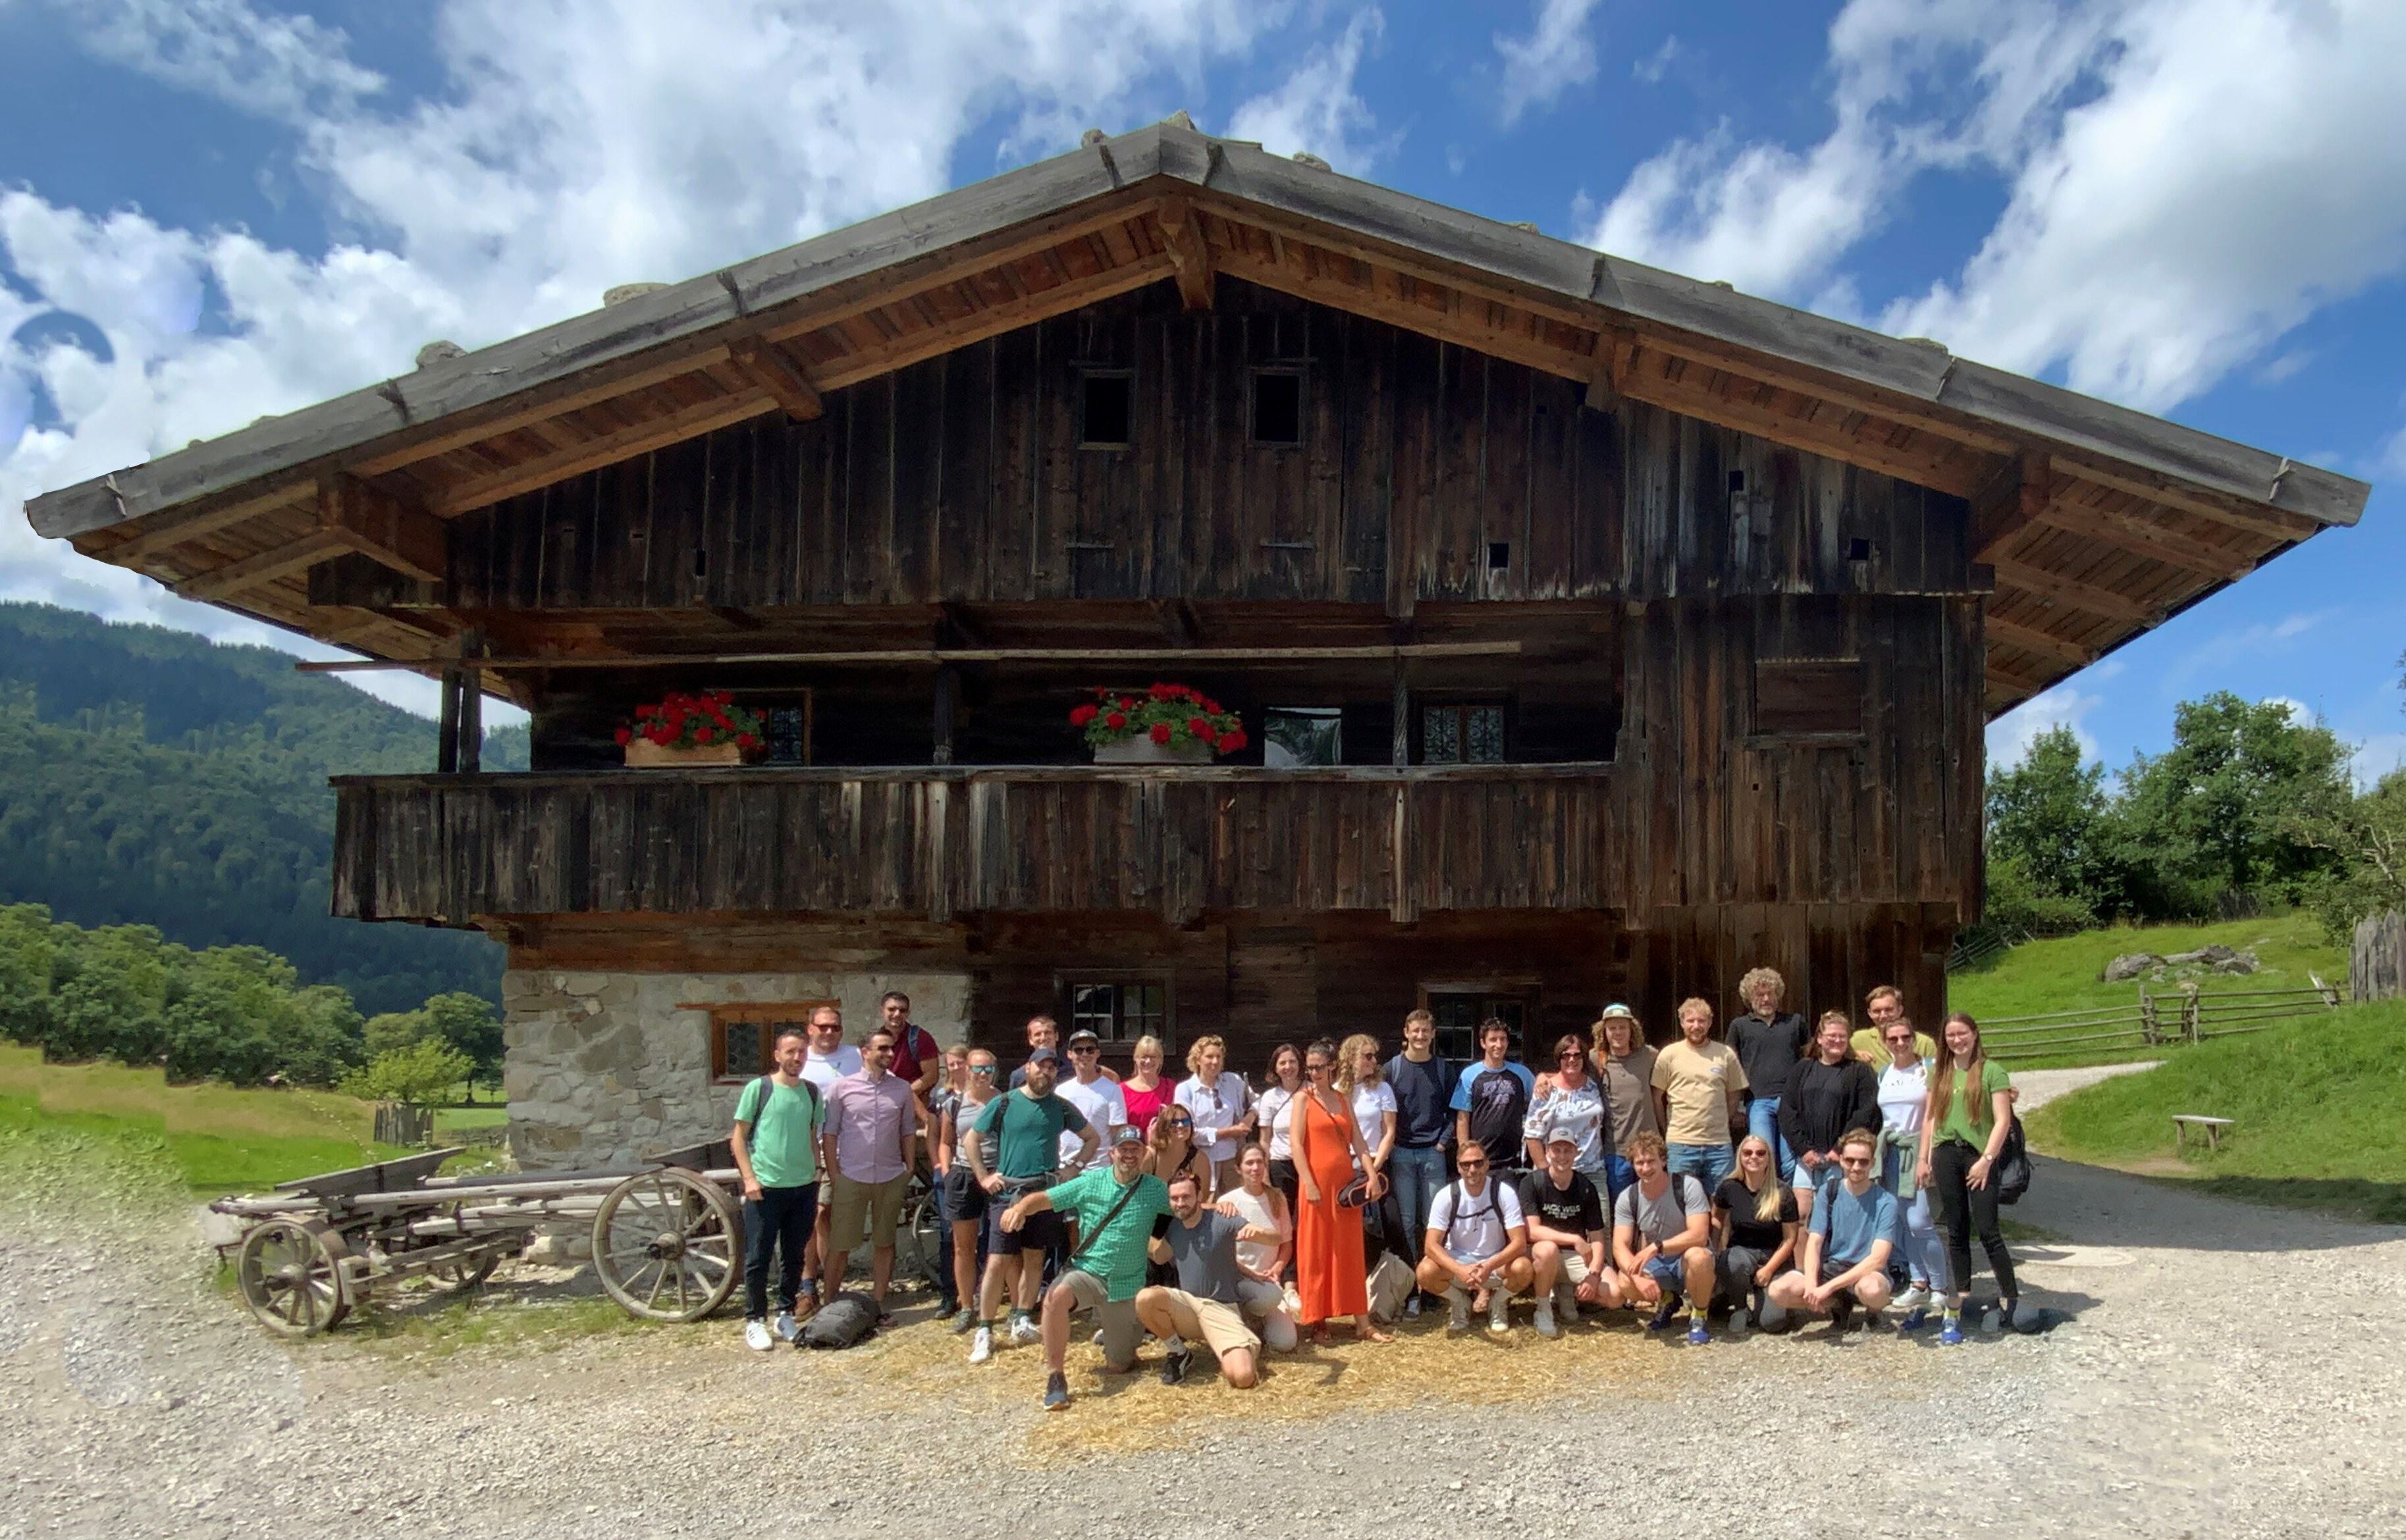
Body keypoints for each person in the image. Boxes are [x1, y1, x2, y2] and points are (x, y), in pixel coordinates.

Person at [997, 1125, 1169, 1411]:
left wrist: (1224, 1209)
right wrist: (1019, 1208)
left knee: (1119, 1366)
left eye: (1135, 1149)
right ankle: (1055, 1378)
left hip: (1127, 1285)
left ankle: (1116, 1338)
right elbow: (1046, 1199)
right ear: (1112, 1153)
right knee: (1055, 1297)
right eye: (1123, 1149)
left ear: (1144, 1153)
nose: (1129, 1154)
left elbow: (1190, 1211)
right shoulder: (1091, 1182)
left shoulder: (1156, 1190)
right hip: (1088, 1274)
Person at [965, 1047, 1096, 1364]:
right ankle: (985, 1329)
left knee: (1035, 1259)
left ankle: (1021, 1318)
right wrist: (983, 1176)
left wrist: (1074, 1167)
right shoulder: (1005, 1102)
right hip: (1008, 1194)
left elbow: (1091, 1138)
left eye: (1052, 1068)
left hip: (1044, 1194)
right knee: (997, 1261)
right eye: (1041, 1066)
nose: (1046, 1073)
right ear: (1028, 1067)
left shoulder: (1061, 1108)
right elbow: (972, 1138)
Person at [1916, 1011, 2024, 1343]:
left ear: (1975, 1035)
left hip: (1979, 1155)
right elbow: (1931, 1118)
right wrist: (1924, 1158)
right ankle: (1960, 1294)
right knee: (1956, 1229)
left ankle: (2011, 1296)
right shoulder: (1940, 1072)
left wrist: (1987, 1161)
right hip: (1947, 1152)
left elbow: (2003, 1121)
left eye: (1962, 1033)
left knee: (1988, 1228)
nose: (1957, 1040)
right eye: (1951, 1035)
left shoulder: (1992, 1071)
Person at [1138, 1168, 1287, 1387]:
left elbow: (1276, 1238)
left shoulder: (1223, 1219)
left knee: (1243, 1378)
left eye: (1186, 1197)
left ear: (1199, 1196)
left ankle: (1244, 1338)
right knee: (1145, 1299)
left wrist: (1259, 1234)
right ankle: (1179, 1353)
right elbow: (1161, 1257)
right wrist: (1148, 1232)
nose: (1180, 1203)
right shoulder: (1170, 1225)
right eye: (1175, 1198)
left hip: (1222, 1309)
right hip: (1189, 1307)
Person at [730, 1026, 826, 1350]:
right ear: (777, 1055)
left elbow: (812, 1133)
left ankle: (785, 1312)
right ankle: (754, 1320)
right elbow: (739, 1137)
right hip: (766, 1187)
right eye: (790, 1052)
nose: (797, 1058)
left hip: (802, 1186)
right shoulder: (760, 1088)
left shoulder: (812, 1092)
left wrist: (816, 1170)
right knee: (758, 1255)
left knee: (794, 1255)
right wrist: (749, 1178)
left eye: (801, 1052)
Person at [1290, 1038, 1391, 1344]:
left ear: (1332, 1066)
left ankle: (1362, 1321)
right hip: (1316, 1185)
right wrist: (1307, 1182)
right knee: (1317, 1252)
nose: (1314, 1074)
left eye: (1319, 1068)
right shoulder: (1303, 1100)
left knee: (1349, 1251)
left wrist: (1372, 1175)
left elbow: (1358, 1142)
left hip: (1344, 1187)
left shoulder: (1343, 1099)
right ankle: (1318, 1320)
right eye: (1309, 1069)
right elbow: (1296, 1144)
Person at [821, 1028, 917, 1319]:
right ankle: (828, 1304)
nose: (889, 1054)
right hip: (852, 1175)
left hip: (889, 1176)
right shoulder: (841, 1089)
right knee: (841, 1244)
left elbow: (908, 1131)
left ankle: (876, 1304)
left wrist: (909, 1167)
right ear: (865, 1052)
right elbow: (830, 1133)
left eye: (891, 1049)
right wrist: (835, 1173)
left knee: (885, 1241)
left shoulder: (901, 1089)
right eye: (883, 1049)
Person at [1769, 1128, 1897, 1333]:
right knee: (1778, 1291)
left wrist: (1827, 1288)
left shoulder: (1886, 1201)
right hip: (1832, 1267)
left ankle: (1873, 1312)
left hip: (1867, 1271)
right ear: (1842, 1161)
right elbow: (1814, 1242)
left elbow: (1878, 1260)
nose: (1856, 1167)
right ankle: (1838, 1305)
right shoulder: (1829, 1191)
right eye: (1850, 1160)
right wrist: (1811, 1285)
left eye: (1863, 1162)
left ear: (1873, 1163)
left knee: (1873, 1290)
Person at [1416, 1139, 1532, 1334]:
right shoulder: (1447, 1195)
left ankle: (1498, 1303)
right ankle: (1460, 1302)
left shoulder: (1503, 1192)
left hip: (1494, 1262)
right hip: (1459, 1261)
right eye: (1466, 1164)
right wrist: (1459, 1269)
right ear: (1458, 1167)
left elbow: (1520, 1243)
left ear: (1487, 1164)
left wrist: (1488, 1266)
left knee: (1524, 1268)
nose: (1472, 1169)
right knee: (1425, 1272)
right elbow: (1430, 1246)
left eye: (1478, 1163)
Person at [1876, 1017, 1947, 1330]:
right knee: (1902, 1221)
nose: (1901, 1043)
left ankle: (1941, 1287)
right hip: (1891, 1151)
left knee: (1920, 1220)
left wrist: (1925, 1158)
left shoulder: (1927, 1069)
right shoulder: (1884, 1073)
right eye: (1894, 1039)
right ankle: (1919, 1283)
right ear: (1885, 1041)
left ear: (1914, 1038)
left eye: (1906, 1037)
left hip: (1917, 1149)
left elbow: (1931, 1115)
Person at [1611, 1131, 1715, 1345]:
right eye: (1640, 1163)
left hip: (1685, 1258)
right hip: (1659, 1263)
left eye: (1651, 1161)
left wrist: (1655, 1247)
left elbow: (1699, 1235)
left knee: (1699, 1257)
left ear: (1664, 1161)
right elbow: (1619, 1246)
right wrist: (1636, 1277)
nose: (1646, 1168)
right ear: (1633, 1165)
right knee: (1624, 1279)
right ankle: (1667, 1300)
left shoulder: (1687, 1186)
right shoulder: (1628, 1197)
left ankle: (1699, 1315)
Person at [1779, 1010, 1883, 1220]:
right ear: (1819, 1038)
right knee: (1801, 1215)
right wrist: (1803, 1150)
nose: (1837, 1040)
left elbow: (1866, 1113)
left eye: (1842, 1036)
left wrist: (1840, 1148)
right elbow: (1788, 1111)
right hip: (1807, 1157)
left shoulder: (1860, 1071)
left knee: (1838, 1215)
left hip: (1841, 1158)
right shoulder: (1803, 1068)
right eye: (1832, 1036)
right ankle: (1806, 1255)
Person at [1381, 1009, 1453, 1316]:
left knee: (1434, 1224)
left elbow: (1456, 1109)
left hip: (1432, 1154)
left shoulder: (1443, 1069)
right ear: (1406, 1033)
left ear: (1433, 1034)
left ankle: (1434, 1287)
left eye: (1426, 1031)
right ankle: (1411, 1288)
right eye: (1415, 1031)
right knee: (1408, 1224)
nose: (1420, 1036)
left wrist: (1443, 1141)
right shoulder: (1392, 1069)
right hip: (1402, 1153)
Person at [1520, 1127, 1617, 1337]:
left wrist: (1594, 1275)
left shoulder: (1586, 1187)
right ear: (1547, 1151)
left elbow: (1598, 1239)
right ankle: (1544, 1309)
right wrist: (1573, 1239)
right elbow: (1533, 1232)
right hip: (1544, 1255)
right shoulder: (1533, 1182)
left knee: (1616, 1296)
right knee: (1547, 1249)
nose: (1561, 1156)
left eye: (1567, 1150)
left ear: (1576, 1152)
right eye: (1556, 1150)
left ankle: (1566, 1290)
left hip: (1575, 1257)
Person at [795, 1003, 860, 1308]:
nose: (830, 1032)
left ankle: (830, 1286)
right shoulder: (801, 1060)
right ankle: (809, 1284)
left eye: (835, 1027)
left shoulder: (854, 1057)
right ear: (810, 1029)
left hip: (849, 1147)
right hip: (809, 1148)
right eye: (823, 1027)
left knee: (830, 1216)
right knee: (815, 1215)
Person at [935, 1045, 1000, 1331]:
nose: (983, 1074)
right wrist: (948, 1172)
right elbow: (946, 1141)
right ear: (967, 1070)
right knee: (964, 1247)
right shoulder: (954, 1104)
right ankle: (966, 1306)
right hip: (963, 1175)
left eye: (988, 1068)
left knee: (1003, 1245)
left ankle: (1006, 1308)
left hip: (997, 1174)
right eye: (977, 1068)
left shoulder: (1005, 1101)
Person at [1651, 997, 1747, 1191]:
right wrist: (1666, 1128)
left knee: (1722, 1205)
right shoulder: (1669, 1055)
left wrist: (1723, 1120)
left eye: (1702, 1021)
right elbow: (1657, 1096)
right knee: (1681, 1203)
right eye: (1691, 1021)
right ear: (1682, 1022)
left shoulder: (1725, 1054)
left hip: (1719, 1145)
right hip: (1681, 1144)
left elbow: (1734, 1093)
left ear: (1710, 1023)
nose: (1696, 1026)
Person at [1711, 1133, 1799, 1337]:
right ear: (1740, 1157)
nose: (1754, 1157)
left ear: (1769, 1158)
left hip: (1773, 1258)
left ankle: (1770, 1301)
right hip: (1742, 1253)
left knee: (1772, 1324)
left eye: (1761, 1153)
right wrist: (1716, 1253)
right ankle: (1740, 1308)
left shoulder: (1783, 1192)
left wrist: (1769, 1270)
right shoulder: (1729, 1187)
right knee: (1733, 1262)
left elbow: (1790, 1238)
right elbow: (1717, 1218)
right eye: (1747, 1153)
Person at [1726, 967, 1808, 1183]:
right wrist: (1736, 1106)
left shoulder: (1795, 1022)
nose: (1765, 999)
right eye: (1759, 995)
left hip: (1791, 1102)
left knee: (1791, 1162)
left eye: (1770, 994)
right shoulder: (1740, 1026)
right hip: (1758, 1101)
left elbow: (1814, 1055)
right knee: (1762, 1157)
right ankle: (1764, 1210)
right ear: (1749, 998)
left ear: (1778, 995)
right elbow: (1731, 1066)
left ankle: (1791, 1210)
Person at [1216, 1144, 1300, 1350]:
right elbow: (1220, 1251)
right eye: (1249, 1163)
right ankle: (1245, 1317)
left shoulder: (1277, 1198)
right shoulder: (1227, 1202)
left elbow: (1286, 1245)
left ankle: (1259, 1320)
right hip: (1240, 1279)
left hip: (1269, 1282)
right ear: (1238, 1169)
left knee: (1285, 1344)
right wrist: (1251, 1273)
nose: (1255, 1168)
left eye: (1259, 1162)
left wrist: (1277, 1270)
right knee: (1266, 1298)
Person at [1335, 1033, 1399, 1263]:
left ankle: (1407, 1289)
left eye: (1375, 1056)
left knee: (1391, 1223)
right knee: (1354, 1227)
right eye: (1368, 1056)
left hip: (1376, 1161)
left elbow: (1389, 1131)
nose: (1374, 1061)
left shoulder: (1382, 1089)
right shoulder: (1336, 1090)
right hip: (1345, 1167)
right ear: (1351, 1058)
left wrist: (1374, 1166)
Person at [1451, 1019, 1536, 1175]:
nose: (1498, 1044)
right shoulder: (1469, 1075)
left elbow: (1540, 1102)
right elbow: (1463, 1117)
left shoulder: (1522, 1074)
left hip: (1514, 1158)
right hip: (1480, 1159)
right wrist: (1465, 1154)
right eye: (1493, 1040)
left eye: (1503, 1039)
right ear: (1483, 1043)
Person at [1593, 1005, 1658, 1200]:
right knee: (1621, 1207)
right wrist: (1543, 1078)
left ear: (1632, 1030)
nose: (1618, 1032)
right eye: (1612, 1028)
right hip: (1616, 1150)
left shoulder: (1650, 1055)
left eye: (1623, 1027)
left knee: (1651, 1204)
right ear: (1604, 1032)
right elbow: (1566, 1071)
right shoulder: (1594, 1058)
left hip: (1648, 1148)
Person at [1522, 1032, 1609, 1178]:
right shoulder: (1546, 1090)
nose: (1572, 1059)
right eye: (1566, 1055)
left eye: (1577, 1055)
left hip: (1593, 1170)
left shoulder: (1593, 1085)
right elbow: (1532, 1137)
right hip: (1557, 1173)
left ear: (1584, 1058)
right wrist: (1546, 1173)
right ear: (1559, 1058)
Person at [1175, 1035, 1254, 1192]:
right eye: (1209, 1057)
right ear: (1198, 1060)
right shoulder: (1186, 1090)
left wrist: (1250, 1116)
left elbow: (1258, 1101)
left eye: (1219, 1057)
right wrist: (1227, 1133)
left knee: (1234, 1208)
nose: (1215, 1061)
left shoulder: (1233, 1082)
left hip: (1232, 1159)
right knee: (1205, 1206)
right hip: (1201, 1159)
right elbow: (1186, 1132)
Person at [1056, 1028, 1129, 1171]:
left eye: (1090, 1050)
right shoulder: (1061, 1091)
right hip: (1066, 1168)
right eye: (1078, 1050)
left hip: (1099, 1169)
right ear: (1070, 1054)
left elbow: (1117, 1133)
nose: (1084, 1054)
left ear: (1097, 1054)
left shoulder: (1113, 1090)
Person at [1253, 1042, 1304, 1209]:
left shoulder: (1313, 1092)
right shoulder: (1269, 1097)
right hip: (1281, 1164)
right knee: (1283, 1214)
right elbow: (1265, 1139)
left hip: (1310, 1162)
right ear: (1275, 1068)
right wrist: (1265, 1173)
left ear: (1300, 1064)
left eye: (1292, 1062)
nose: (1288, 1067)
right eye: (1282, 1063)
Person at [876, 990, 942, 1099]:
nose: (897, 1014)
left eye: (902, 1010)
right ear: (882, 1011)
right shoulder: (874, 1040)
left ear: (908, 1013)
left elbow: (931, 1076)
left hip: (912, 1104)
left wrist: (903, 1095)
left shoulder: (920, 1038)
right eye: (891, 1009)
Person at [1852, 985, 1937, 1067]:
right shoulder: (1858, 1039)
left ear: (1900, 1010)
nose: (1883, 1016)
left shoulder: (1925, 1043)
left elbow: (1937, 1075)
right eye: (1877, 1011)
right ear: (1869, 1013)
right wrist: (1853, 1053)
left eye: (1889, 1010)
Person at [1143, 1101, 1212, 1200]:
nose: (1181, 1126)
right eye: (1174, 1122)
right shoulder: (1150, 1155)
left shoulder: (1199, 1158)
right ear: (1164, 1126)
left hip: (1184, 1213)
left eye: (1186, 1121)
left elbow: (1202, 1197)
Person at [1120, 1034, 1173, 1139]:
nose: (1148, 1061)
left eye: (1153, 1057)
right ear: (1135, 1059)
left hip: (1164, 1150)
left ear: (1161, 1060)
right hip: (1133, 1150)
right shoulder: (1121, 1090)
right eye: (1144, 1057)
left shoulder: (1171, 1087)